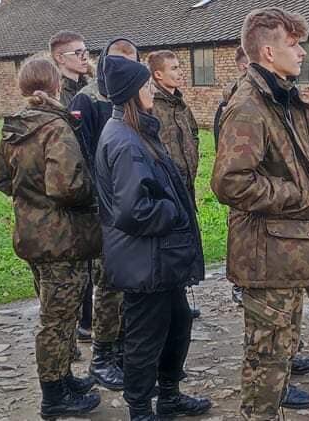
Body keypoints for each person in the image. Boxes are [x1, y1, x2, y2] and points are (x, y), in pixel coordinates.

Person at [212, 7, 309, 419]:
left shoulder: (280, 98)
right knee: (267, 360)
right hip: (266, 256)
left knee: (280, 351)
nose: (303, 52)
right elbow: (229, 182)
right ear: (269, 52)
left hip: (286, 252)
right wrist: (297, 195)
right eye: (294, 45)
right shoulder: (250, 106)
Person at [96, 55, 212, 421]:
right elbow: (134, 211)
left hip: (159, 258)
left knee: (178, 322)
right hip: (144, 261)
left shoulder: (138, 130)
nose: (151, 90)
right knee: (145, 339)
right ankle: (141, 410)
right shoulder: (125, 141)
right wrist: (173, 210)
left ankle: (169, 397)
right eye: (146, 85)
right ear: (133, 93)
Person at [0, 59, 103, 419]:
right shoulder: (55, 127)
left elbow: (2, 179)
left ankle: (63, 377)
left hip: (30, 232)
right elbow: (67, 185)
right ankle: (54, 394)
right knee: (57, 319)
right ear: (55, 86)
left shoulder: (13, 128)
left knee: (58, 313)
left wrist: (31, 198)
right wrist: (95, 193)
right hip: (61, 237)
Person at [70, 36, 138, 389]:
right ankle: (102, 356)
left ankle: (126, 349)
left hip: (131, 204)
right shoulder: (89, 98)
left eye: (132, 59)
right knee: (109, 284)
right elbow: (83, 155)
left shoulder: (134, 94)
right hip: (105, 207)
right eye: (118, 60)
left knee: (129, 282)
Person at [147, 50, 201, 200]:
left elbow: (194, 133)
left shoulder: (180, 103)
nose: (180, 72)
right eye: (174, 68)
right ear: (158, 74)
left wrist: (192, 155)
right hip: (166, 188)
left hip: (188, 183)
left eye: (179, 67)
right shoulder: (150, 106)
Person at [222, 46, 251, 307]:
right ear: (244, 66)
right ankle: (240, 284)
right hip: (245, 179)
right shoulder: (239, 100)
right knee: (242, 236)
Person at [51, 31, 92, 106]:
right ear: (60, 58)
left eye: (85, 52)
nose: (85, 58)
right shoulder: (54, 95)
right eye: (78, 53)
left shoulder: (93, 87)